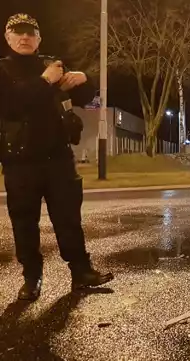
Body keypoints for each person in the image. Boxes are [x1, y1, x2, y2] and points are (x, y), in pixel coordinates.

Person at [0, 13, 113, 301]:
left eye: (30, 33)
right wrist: (44, 81)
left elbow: (87, 99)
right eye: (18, 33)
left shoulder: (52, 65)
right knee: (25, 223)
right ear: (8, 38)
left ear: (38, 38)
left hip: (59, 159)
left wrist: (85, 80)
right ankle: (32, 278)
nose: (24, 38)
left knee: (68, 219)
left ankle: (81, 272)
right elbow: (11, 104)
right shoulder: (4, 71)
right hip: (20, 163)